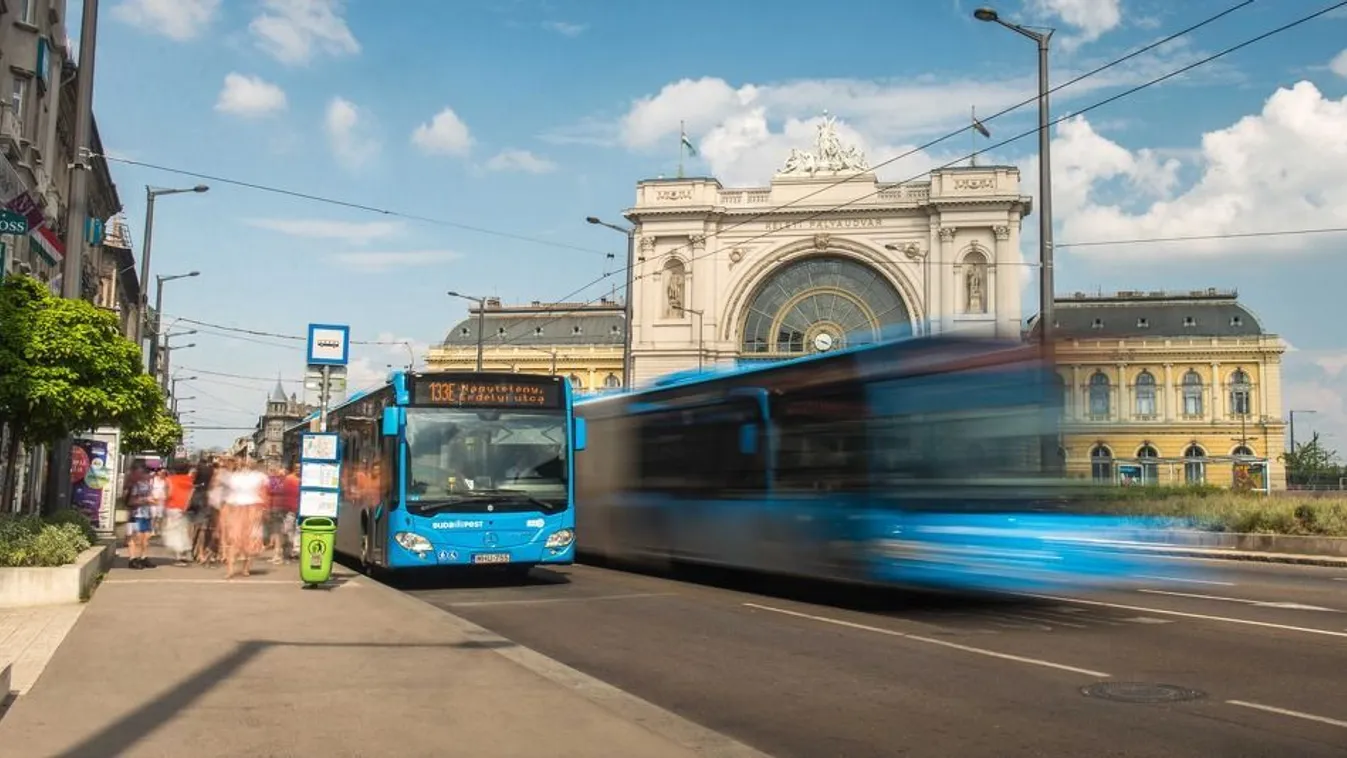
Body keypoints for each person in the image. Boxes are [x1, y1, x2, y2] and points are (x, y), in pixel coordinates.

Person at [220, 457, 268, 579]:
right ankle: (230, 569)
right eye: (243, 463)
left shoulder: (260, 476)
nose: (246, 465)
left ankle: (246, 568)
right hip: (237, 508)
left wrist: (264, 509)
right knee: (234, 538)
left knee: (251, 539)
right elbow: (227, 492)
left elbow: (264, 492)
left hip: (253, 508)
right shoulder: (233, 477)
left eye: (249, 463)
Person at [123, 462, 155, 569]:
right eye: (142, 473)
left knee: (146, 538)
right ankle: (133, 559)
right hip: (136, 515)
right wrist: (145, 500)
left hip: (145, 514)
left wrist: (151, 502)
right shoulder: (134, 485)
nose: (146, 475)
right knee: (135, 538)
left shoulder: (148, 485)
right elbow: (130, 501)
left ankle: (143, 557)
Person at [162, 462, 195, 565]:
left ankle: (179, 556)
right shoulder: (190, 480)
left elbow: (168, 493)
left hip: (172, 507)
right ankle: (185, 553)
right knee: (184, 530)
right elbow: (191, 493)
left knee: (174, 531)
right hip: (185, 507)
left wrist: (163, 502)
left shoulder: (170, 479)